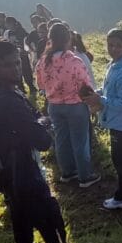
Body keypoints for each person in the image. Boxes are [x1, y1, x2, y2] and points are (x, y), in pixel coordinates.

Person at [0, 40, 76, 243]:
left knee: (19, 216)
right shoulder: (9, 101)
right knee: (48, 216)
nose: (14, 69)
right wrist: (43, 122)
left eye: (16, 62)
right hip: (23, 170)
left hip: (6, 172)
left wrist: (35, 121)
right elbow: (42, 140)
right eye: (6, 65)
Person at [83, 28, 122, 210]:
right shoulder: (116, 64)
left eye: (118, 45)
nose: (113, 49)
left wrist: (100, 100)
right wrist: (98, 93)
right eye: (110, 45)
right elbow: (112, 91)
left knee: (120, 160)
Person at [35, 22, 99, 188]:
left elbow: (40, 84)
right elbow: (86, 85)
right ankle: (85, 176)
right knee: (80, 141)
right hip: (76, 106)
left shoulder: (43, 61)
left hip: (54, 106)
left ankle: (67, 172)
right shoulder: (74, 60)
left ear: (50, 39)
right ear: (68, 39)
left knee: (62, 140)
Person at [4, 17, 36, 94]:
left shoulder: (21, 31)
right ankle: (20, 87)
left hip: (23, 55)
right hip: (12, 55)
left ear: (13, 23)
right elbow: (6, 41)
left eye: (9, 23)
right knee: (16, 71)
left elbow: (27, 41)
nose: (8, 25)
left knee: (26, 71)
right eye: (7, 23)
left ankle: (31, 86)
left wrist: (27, 50)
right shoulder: (7, 33)